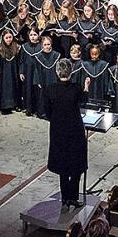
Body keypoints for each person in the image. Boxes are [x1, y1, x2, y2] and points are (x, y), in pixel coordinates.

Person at [45, 59, 89, 208]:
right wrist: (86, 87)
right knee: (76, 166)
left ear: (57, 72)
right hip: (75, 131)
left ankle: (65, 198)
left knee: (63, 168)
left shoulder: (51, 89)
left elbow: (46, 111)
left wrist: (56, 121)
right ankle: (73, 197)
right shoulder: (76, 88)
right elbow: (83, 101)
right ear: (71, 72)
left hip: (58, 131)